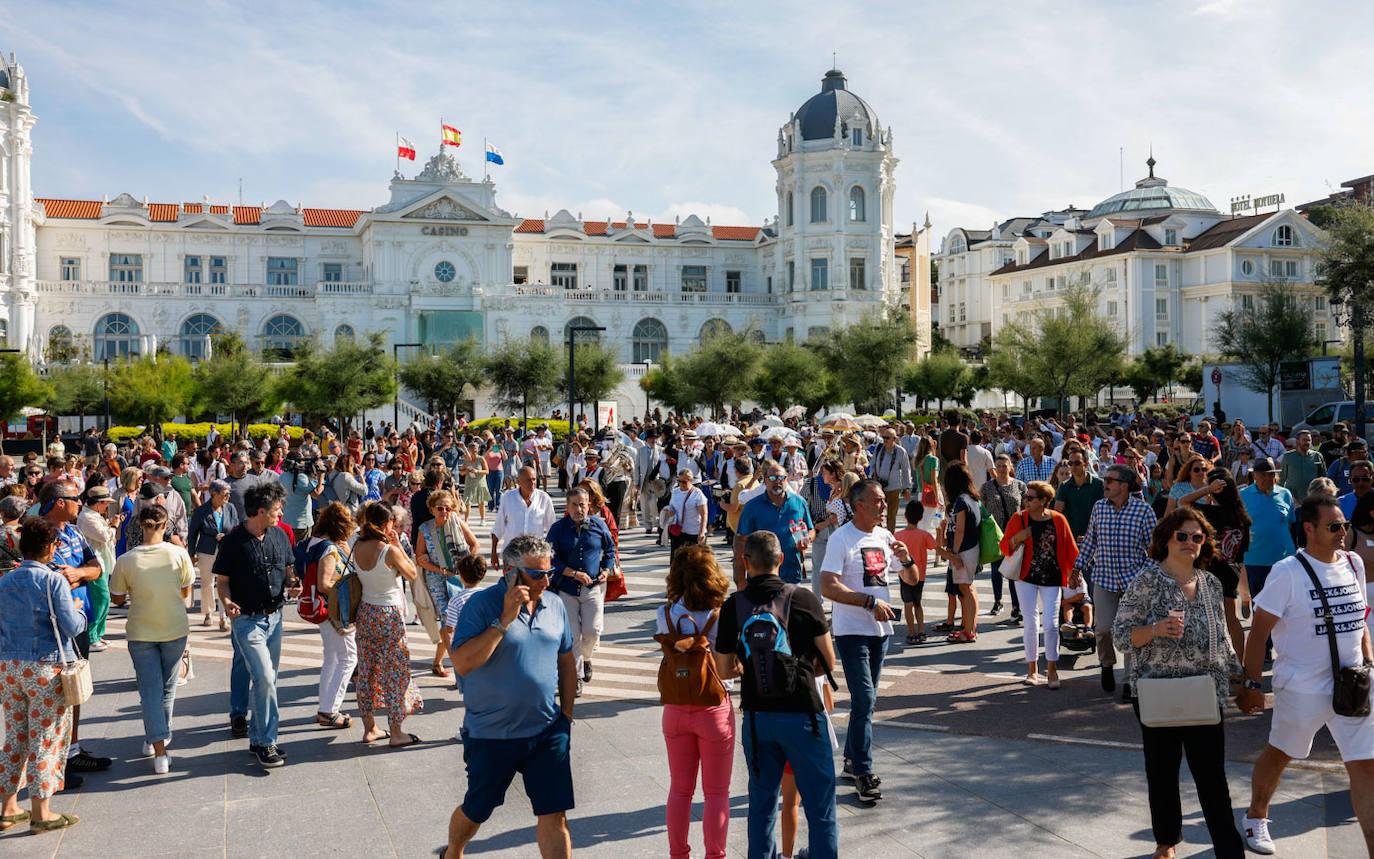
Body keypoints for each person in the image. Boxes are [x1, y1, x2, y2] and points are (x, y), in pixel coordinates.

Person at [1237, 494, 1374, 855]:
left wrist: (1369, 666)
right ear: (1309, 529)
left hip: (1353, 686)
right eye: (1333, 526)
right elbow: (1260, 631)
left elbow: (1360, 621)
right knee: (1280, 753)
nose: (1343, 531)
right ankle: (1255, 817)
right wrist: (1252, 685)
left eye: (1343, 524)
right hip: (1301, 688)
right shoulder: (1287, 572)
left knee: (1366, 767)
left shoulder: (1353, 563)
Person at [1115, 507, 1244, 858]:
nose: (1190, 542)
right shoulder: (1146, 581)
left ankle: (1229, 850)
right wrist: (1156, 629)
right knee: (1161, 774)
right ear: (1167, 539)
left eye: (1197, 537)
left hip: (1203, 694)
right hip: (1158, 694)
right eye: (1182, 536)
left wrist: (1239, 678)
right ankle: (1166, 842)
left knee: (1212, 779)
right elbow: (1121, 637)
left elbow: (1223, 638)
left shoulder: (1210, 583)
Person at [446, 534, 576, 859]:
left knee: (554, 815)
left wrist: (567, 718)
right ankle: (453, 852)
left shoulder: (555, 605)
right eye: (538, 574)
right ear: (510, 573)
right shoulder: (480, 606)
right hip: (492, 734)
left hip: (547, 732)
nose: (547, 580)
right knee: (478, 809)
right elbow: (462, 663)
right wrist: (504, 619)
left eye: (550, 571)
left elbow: (567, 662)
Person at [716, 531, 838, 858]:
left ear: (745, 563)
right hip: (803, 717)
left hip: (758, 717)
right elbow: (827, 661)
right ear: (781, 560)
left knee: (761, 806)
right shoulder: (803, 599)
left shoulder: (734, 606)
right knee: (820, 807)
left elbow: (724, 668)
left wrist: (752, 668)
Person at [821, 478, 911, 803]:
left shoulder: (885, 536)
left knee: (866, 704)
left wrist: (907, 558)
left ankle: (849, 760)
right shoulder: (841, 539)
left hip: (881, 634)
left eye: (883, 500)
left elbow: (912, 578)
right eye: (877, 501)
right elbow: (827, 587)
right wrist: (869, 602)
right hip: (851, 632)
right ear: (859, 505)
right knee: (864, 701)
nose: (884, 505)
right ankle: (863, 770)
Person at [0, 517, 85, 833]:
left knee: (16, 737)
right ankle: (41, 812)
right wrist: (77, 607)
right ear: (50, 547)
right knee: (45, 738)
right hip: (44, 669)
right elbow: (73, 626)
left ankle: (8, 808)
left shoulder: (4, 581)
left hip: (9, 667)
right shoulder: (53, 581)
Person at [214, 479, 299, 769]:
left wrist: (293, 583)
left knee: (269, 680)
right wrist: (226, 603)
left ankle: (257, 735)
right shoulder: (233, 542)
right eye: (276, 509)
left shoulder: (281, 536)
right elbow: (222, 583)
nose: (280, 514)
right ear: (260, 511)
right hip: (247, 621)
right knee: (263, 676)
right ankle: (266, 742)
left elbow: (288, 571)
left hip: (275, 618)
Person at [656, 545, 735, 859]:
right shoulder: (720, 615)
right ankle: (715, 855)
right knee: (716, 793)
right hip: (713, 708)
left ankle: (678, 854)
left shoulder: (665, 613)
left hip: (675, 707)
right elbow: (729, 663)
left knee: (679, 790)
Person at [109, 504, 195, 774]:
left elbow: (117, 598)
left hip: (141, 630)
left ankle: (156, 742)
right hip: (174, 628)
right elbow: (185, 590)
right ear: (165, 524)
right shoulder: (178, 554)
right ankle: (159, 741)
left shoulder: (126, 559)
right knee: (168, 689)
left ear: (140, 525)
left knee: (149, 692)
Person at [1070, 463, 1158, 700]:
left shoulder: (1143, 511)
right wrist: (1077, 567)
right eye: (1105, 478)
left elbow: (1155, 550)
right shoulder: (1099, 508)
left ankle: (1130, 681)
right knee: (1103, 629)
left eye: (1110, 479)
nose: (1105, 483)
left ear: (1124, 486)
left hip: (1133, 582)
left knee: (1132, 632)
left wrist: (1144, 575)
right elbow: (1090, 541)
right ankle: (1107, 665)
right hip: (1105, 579)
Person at [352, 503, 425, 747]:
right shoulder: (388, 551)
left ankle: (370, 728)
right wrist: (396, 545)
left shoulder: (357, 545)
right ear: (387, 523)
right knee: (394, 673)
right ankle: (396, 732)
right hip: (388, 615)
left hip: (365, 612)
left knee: (367, 672)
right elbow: (412, 573)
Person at [999, 481, 1078, 688]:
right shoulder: (1019, 518)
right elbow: (1004, 547)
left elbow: (1071, 549)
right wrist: (1018, 537)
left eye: (1031, 498)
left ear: (1044, 501)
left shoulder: (1059, 520)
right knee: (1031, 624)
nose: (1026, 500)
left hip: (1052, 578)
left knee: (1051, 626)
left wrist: (1073, 573)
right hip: (1026, 577)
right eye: (1026, 497)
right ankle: (1032, 670)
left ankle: (1052, 670)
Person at [546, 487, 617, 695]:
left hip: (593, 587)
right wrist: (572, 573)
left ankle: (587, 659)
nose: (579, 509)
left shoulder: (598, 525)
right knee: (573, 635)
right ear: (567, 507)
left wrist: (605, 569)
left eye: (583, 504)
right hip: (567, 589)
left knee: (592, 632)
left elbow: (610, 549)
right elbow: (550, 558)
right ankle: (575, 678)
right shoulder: (558, 529)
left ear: (589, 505)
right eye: (575, 505)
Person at [416, 490, 479, 678]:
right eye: (440, 508)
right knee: (446, 618)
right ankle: (458, 666)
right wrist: (440, 570)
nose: (444, 512)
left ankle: (437, 662)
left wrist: (465, 564)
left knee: (453, 620)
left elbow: (474, 544)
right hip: (436, 577)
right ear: (432, 509)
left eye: (448, 508)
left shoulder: (457, 522)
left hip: (458, 576)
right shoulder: (424, 529)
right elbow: (420, 558)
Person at [1191, 469, 1251, 664]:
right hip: (1231, 571)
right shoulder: (1242, 517)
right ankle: (1240, 662)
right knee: (1232, 619)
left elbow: (1183, 501)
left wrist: (1206, 489)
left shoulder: (1209, 512)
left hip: (1209, 571)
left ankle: (1210, 661)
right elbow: (1243, 550)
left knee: (1206, 618)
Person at [306, 502, 358, 729]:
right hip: (335, 610)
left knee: (332, 658)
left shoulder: (316, 542)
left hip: (326, 611)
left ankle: (325, 708)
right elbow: (324, 583)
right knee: (349, 658)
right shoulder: (328, 548)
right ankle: (330, 711)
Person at [1239, 457, 1296, 654]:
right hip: (1255, 559)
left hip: (1283, 560)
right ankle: (1264, 648)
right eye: (1263, 475)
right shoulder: (1243, 495)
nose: (1267, 478)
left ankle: (1284, 647)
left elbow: (1289, 524)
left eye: (1271, 475)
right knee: (1261, 608)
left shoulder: (1285, 494)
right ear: (1254, 476)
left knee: (1286, 606)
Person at [736, 461, 814, 587]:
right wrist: (741, 580)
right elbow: (741, 543)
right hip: (760, 577)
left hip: (791, 575)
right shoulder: (752, 507)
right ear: (765, 480)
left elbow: (811, 529)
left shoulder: (799, 502)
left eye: (781, 478)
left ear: (786, 480)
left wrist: (807, 539)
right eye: (772, 478)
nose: (777, 481)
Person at [937, 463, 982, 643]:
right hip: (971, 548)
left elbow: (960, 530)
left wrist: (954, 553)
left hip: (964, 549)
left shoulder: (962, 501)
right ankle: (970, 628)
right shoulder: (972, 498)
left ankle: (969, 631)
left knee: (966, 589)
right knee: (968, 588)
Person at [188, 479, 238, 630]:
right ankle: (208, 613)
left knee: (225, 583)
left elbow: (235, 528)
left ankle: (224, 616)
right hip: (206, 551)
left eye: (229, 494)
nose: (228, 497)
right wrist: (191, 554)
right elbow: (192, 534)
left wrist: (227, 537)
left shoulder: (230, 508)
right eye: (225, 494)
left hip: (226, 550)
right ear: (214, 494)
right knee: (207, 583)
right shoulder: (201, 510)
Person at [981, 455, 1026, 619]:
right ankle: (997, 601)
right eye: (998, 466)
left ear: (1010, 466)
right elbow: (983, 511)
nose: (1001, 469)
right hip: (996, 535)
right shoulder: (987, 487)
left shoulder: (1020, 486)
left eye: (1004, 465)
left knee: (1014, 571)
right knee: (996, 570)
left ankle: (1016, 606)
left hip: (1016, 534)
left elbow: (1025, 508)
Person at [76, 484, 117, 649]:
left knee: (102, 600)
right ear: (97, 502)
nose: (107, 505)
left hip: (102, 562)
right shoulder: (87, 517)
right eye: (105, 502)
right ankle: (92, 637)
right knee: (100, 599)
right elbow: (104, 536)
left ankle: (98, 635)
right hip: (94, 564)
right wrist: (113, 526)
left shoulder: (93, 515)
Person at [490, 466, 557, 568]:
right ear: (518, 481)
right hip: (512, 555)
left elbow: (552, 529)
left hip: (535, 556)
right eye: (528, 480)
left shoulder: (544, 499)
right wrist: (493, 553)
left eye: (534, 479)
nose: (532, 483)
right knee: (512, 583)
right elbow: (498, 528)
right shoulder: (507, 498)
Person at [894, 499, 937, 645]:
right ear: (921, 517)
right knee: (918, 603)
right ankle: (921, 631)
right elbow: (935, 547)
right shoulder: (924, 535)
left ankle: (912, 633)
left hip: (904, 575)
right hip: (920, 575)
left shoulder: (897, 536)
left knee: (908, 604)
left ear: (905, 516)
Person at [868, 427, 912, 532]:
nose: (885, 440)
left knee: (892, 515)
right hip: (879, 487)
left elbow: (906, 470)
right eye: (884, 437)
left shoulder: (901, 452)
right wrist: (873, 475)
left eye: (888, 438)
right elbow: (872, 464)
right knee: (876, 513)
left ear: (894, 439)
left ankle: (890, 536)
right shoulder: (879, 448)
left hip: (894, 487)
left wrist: (907, 488)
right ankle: (879, 533)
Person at [664, 468, 709, 561]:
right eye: (679, 481)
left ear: (691, 481)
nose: (681, 484)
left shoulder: (697, 493)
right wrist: (670, 511)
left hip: (693, 532)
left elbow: (704, 514)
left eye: (684, 482)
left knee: (694, 563)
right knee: (676, 562)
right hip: (678, 531)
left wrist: (701, 532)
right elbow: (672, 506)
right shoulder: (675, 492)